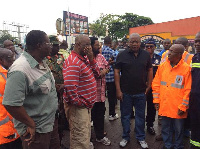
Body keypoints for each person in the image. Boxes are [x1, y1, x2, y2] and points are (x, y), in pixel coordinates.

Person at [2, 30, 58, 149]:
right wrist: (30, 123)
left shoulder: (41, 62)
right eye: (48, 43)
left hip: (49, 124)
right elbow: (10, 103)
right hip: (36, 132)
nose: (51, 46)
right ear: (39, 45)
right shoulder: (20, 69)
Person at [115, 33, 153, 148]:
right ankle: (125, 137)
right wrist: (118, 90)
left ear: (140, 43)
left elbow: (150, 70)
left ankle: (141, 137)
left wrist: (149, 86)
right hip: (125, 92)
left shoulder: (146, 55)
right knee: (125, 116)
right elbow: (116, 72)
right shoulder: (121, 55)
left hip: (141, 92)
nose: (135, 44)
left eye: (137, 41)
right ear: (128, 43)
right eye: (132, 41)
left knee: (140, 116)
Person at [63, 35, 100, 149]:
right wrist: (79, 103)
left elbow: (97, 73)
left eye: (90, 44)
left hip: (85, 107)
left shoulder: (84, 59)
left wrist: (91, 58)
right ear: (78, 45)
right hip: (78, 108)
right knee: (79, 140)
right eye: (87, 45)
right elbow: (69, 86)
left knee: (84, 137)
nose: (90, 47)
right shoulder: (74, 61)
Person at [152, 44, 191, 149]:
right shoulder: (163, 66)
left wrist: (183, 107)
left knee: (179, 130)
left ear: (179, 54)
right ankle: (167, 145)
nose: (168, 53)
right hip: (164, 105)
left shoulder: (186, 69)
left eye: (172, 51)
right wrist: (156, 101)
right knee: (165, 128)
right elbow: (156, 84)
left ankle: (178, 146)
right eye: (169, 50)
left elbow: (188, 90)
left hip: (178, 108)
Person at [90, 37, 111, 146]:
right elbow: (96, 74)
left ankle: (100, 136)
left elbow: (107, 67)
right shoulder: (86, 59)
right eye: (97, 45)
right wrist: (101, 72)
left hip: (101, 94)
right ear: (91, 46)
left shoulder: (101, 57)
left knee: (100, 116)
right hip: (89, 95)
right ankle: (88, 140)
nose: (99, 47)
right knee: (88, 119)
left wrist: (103, 71)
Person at [0, 48, 22, 149]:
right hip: (7, 130)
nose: (12, 61)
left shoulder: (6, 73)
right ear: (1, 60)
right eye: (9, 59)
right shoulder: (3, 78)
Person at [46, 35, 65, 148]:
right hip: (50, 93)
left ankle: (60, 141)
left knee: (61, 118)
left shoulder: (61, 57)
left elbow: (65, 71)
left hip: (62, 93)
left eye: (58, 46)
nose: (57, 48)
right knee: (51, 120)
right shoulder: (43, 59)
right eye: (54, 46)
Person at [145, 38, 161, 135]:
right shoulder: (141, 57)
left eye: (151, 46)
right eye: (147, 46)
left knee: (152, 107)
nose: (149, 48)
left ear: (155, 47)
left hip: (154, 87)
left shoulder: (159, 58)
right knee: (140, 107)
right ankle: (139, 126)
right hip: (143, 86)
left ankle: (150, 125)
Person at [102, 36, 119, 121]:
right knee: (111, 97)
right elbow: (119, 60)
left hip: (101, 77)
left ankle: (100, 115)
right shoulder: (111, 51)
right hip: (111, 77)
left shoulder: (99, 51)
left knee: (100, 97)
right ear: (110, 42)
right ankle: (111, 114)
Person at [189, 32, 200, 149]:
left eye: (199, 41)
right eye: (196, 41)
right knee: (195, 125)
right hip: (194, 100)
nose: (197, 44)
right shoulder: (195, 58)